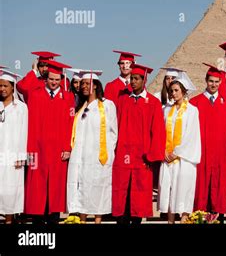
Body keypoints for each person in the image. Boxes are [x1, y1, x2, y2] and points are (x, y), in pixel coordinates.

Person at [112, 64, 166, 224]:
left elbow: (158, 132)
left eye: (136, 79)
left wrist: (151, 156)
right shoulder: (122, 100)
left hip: (142, 158)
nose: (132, 82)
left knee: (139, 197)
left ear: (144, 80)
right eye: (131, 79)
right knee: (122, 196)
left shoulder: (153, 103)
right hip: (123, 156)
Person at [24, 60, 75, 224]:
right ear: (45, 79)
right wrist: (33, 72)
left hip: (58, 150)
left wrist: (68, 148)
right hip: (38, 149)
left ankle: (53, 220)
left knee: (56, 189)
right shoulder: (35, 94)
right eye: (51, 79)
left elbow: (70, 124)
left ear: (62, 79)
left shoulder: (68, 97)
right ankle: (37, 222)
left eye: (57, 79)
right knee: (37, 189)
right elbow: (31, 123)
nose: (54, 82)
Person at [67, 70, 118, 224]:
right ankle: (82, 220)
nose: (83, 86)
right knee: (81, 187)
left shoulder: (107, 105)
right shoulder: (80, 107)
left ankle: (97, 221)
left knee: (97, 188)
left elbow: (113, 132)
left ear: (95, 86)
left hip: (98, 157)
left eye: (87, 84)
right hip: (81, 157)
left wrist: (108, 153)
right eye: (82, 83)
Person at [190, 64, 226, 216]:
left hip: (220, 154)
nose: (214, 84)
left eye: (217, 81)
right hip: (202, 153)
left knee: (218, 188)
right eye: (211, 81)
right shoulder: (194, 103)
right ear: (206, 81)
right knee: (201, 188)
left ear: (221, 82)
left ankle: (217, 216)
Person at [159, 73, 201, 223]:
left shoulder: (192, 110)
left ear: (183, 91)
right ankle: (170, 222)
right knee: (169, 192)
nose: (173, 93)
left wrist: (177, 153)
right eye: (171, 90)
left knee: (183, 192)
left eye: (176, 90)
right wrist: (163, 151)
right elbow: (161, 133)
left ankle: (183, 221)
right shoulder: (165, 110)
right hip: (167, 158)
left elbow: (191, 135)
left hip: (184, 160)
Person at [0, 69, 28, 224]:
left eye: (5, 86)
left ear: (12, 87)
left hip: (13, 155)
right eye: (0, 86)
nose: (2, 89)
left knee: (10, 189)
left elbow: (24, 132)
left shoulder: (21, 108)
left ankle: (9, 220)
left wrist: (21, 157)